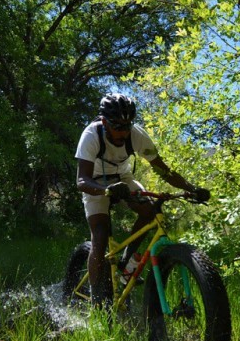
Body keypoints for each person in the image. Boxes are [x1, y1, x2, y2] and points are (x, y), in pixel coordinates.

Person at [75, 93, 210, 306]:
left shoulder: (137, 135)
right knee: (99, 237)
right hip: (96, 183)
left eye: (127, 125)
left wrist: (191, 189)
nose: (123, 131)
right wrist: (107, 190)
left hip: (123, 178)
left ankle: (126, 262)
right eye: (117, 126)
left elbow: (164, 171)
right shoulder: (91, 135)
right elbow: (82, 180)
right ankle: (97, 302)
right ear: (103, 121)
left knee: (150, 212)